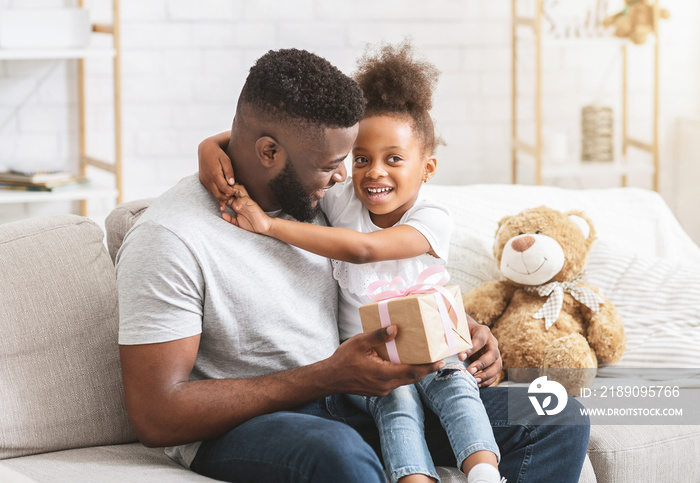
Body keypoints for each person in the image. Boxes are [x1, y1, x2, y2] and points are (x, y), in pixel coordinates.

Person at [117, 47, 590, 483]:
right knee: (338, 452)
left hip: (359, 394)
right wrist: (327, 376)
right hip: (256, 425)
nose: (347, 175)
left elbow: (381, 274)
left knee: (554, 416)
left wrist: (455, 327)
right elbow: (156, 415)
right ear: (268, 153)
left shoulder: (319, 198)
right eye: (333, 163)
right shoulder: (172, 238)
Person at [200, 42, 502, 483]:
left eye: (393, 159)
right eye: (361, 159)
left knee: (474, 395)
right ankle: (413, 478)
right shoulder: (342, 197)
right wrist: (211, 145)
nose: (372, 172)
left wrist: (267, 225)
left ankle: (483, 472)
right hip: (373, 359)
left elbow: (365, 250)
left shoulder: (433, 217)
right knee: (397, 408)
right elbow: (290, 145)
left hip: (436, 344)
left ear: (428, 167)